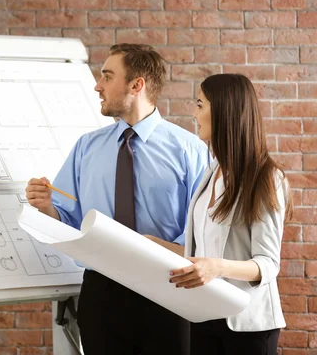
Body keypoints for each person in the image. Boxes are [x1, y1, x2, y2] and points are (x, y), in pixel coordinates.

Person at [25, 43, 209, 354]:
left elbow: (204, 225)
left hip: (168, 288)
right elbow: (68, 219)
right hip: (102, 292)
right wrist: (46, 208)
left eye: (107, 77)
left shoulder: (190, 150)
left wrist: (170, 255)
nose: (98, 86)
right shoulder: (87, 147)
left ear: (137, 85)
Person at [168, 73, 292, 355]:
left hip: (247, 325)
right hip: (204, 316)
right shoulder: (211, 172)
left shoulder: (266, 178)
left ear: (224, 111)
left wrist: (217, 267)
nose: (193, 113)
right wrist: (152, 244)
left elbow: (268, 264)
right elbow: (200, 248)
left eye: (199, 105)